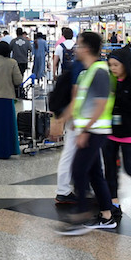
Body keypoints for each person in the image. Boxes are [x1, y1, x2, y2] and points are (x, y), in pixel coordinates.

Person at [56, 32, 117, 234]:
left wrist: (85, 131)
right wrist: (63, 118)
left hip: (95, 131)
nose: (76, 49)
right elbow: (78, 101)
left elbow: (100, 105)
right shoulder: (87, 71)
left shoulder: (99, 72)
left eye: (80, 45)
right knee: (94, 173)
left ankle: (81, 216)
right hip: (90, 129)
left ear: (88, 49)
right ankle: (107, 215)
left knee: (78, 170)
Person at [103, 46, 131, 218]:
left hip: (128, 132)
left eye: (116, 65)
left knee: (128, 167)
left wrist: (117, 98)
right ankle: (115, 203)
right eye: (111, 65)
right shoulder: (109, 81)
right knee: (110, 169)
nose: (113, 68)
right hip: (110, 132)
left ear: (125, 65)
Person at [53, 45, 88, 206]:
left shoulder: (78, 65)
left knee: (73, 152)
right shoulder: (80, 67)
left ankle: (70, 189)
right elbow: (77, 95)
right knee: (71, 152)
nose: (76, 48)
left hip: (77, 116)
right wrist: (65, 118)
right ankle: (64, 190)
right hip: (78, 117)